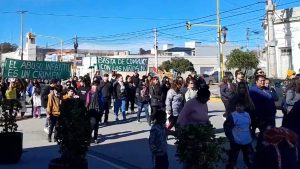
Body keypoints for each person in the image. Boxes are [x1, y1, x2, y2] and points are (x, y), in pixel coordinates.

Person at [224, 100, 254, 169]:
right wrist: (232, 138)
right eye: (237, 106)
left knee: (249, 158)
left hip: (247, 140)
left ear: (244, 107)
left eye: (240, 106)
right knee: (233, 158)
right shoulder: (233, 116)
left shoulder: (247, 114)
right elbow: (227, 128)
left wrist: (250, 135)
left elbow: (248, 126)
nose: (239, 108)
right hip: (236, 141)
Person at [249, 75, 277, 148]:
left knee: (270, 134)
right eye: (261, 80)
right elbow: (258, 104)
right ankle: (259, 152)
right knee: (263, 135)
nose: (263, 82)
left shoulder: (266, 89)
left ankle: (268, 151)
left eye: (264, 80)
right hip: (262, 117)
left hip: (271, 116)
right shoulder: (253, 90)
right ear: (256, 81)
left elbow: (274, 98)